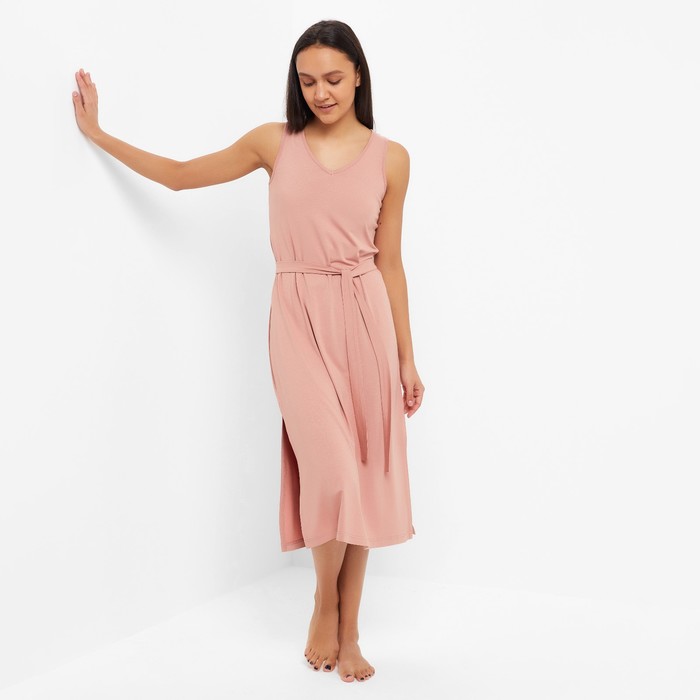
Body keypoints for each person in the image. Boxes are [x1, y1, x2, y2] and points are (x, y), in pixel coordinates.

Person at [72, 18, 424, 684]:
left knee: (361, 477)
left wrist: (407, 357)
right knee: (332, 472)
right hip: (296, 315)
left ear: (359, 76)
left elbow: (392, 263)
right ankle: (324, 601)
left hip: (366, 318)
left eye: (333, 79)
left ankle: (350, 629)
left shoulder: (392, 158)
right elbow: (181, 177)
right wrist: (99, 133)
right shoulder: (274, 142)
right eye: (307, 81)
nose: (321, 93)